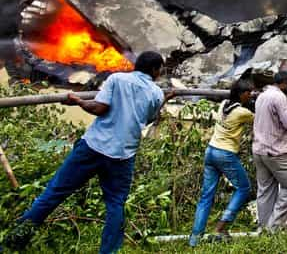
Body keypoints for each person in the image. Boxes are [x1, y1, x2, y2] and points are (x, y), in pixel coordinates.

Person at [3, 51, 167, 254]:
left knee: (54, 193)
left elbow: (99, 108)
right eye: (160, 68)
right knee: (116, 204)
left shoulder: (118, 79)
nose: (161, 72)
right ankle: (108, 251)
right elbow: (149, 119)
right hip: (123, 155)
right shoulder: (157, 93)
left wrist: (78, 101)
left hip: (93, 147)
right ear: (154, 69)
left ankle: (14, 241)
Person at [189, 80, 255, 246]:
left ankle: (195, 239)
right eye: (249, 93)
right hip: (225, 153)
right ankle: (222, 226)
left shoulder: (224, 104)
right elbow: (258, 118)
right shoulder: (241, 112)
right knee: (244, 187)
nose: (251, 95)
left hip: (211, 151)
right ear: (241, 94)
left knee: (206, 196)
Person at [252, 71, 287, 231]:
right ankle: (273, 227)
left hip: (259, 150)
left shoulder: (262, 95)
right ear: (285, 84)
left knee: (266, 190)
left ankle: (263, 227)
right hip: (276, 152)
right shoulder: (279, 97)